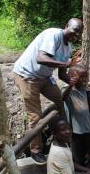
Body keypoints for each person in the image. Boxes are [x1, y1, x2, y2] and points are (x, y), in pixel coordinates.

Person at [13, 18, 83, 165]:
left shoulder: (68, 47)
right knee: (36, 116)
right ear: (66, 26)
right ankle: (36, 150)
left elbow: (62, 74)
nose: (76, 35)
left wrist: (71, 80)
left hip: (45, 77)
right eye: (74, 30)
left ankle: (61, 136)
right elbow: (41, 58)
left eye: (79, 34)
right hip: (27, 76)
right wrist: (66, 63)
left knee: (60, 101)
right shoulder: (53, 35)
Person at [62, 65, 90, 167]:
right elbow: (63, 97)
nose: (85, 79)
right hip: (76, 132)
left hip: (89, 129)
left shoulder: (85, 89)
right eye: (82, 77)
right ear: (72, 77)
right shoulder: (67, 90)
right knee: (78, 158)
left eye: (86, 76)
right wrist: (70, 86)